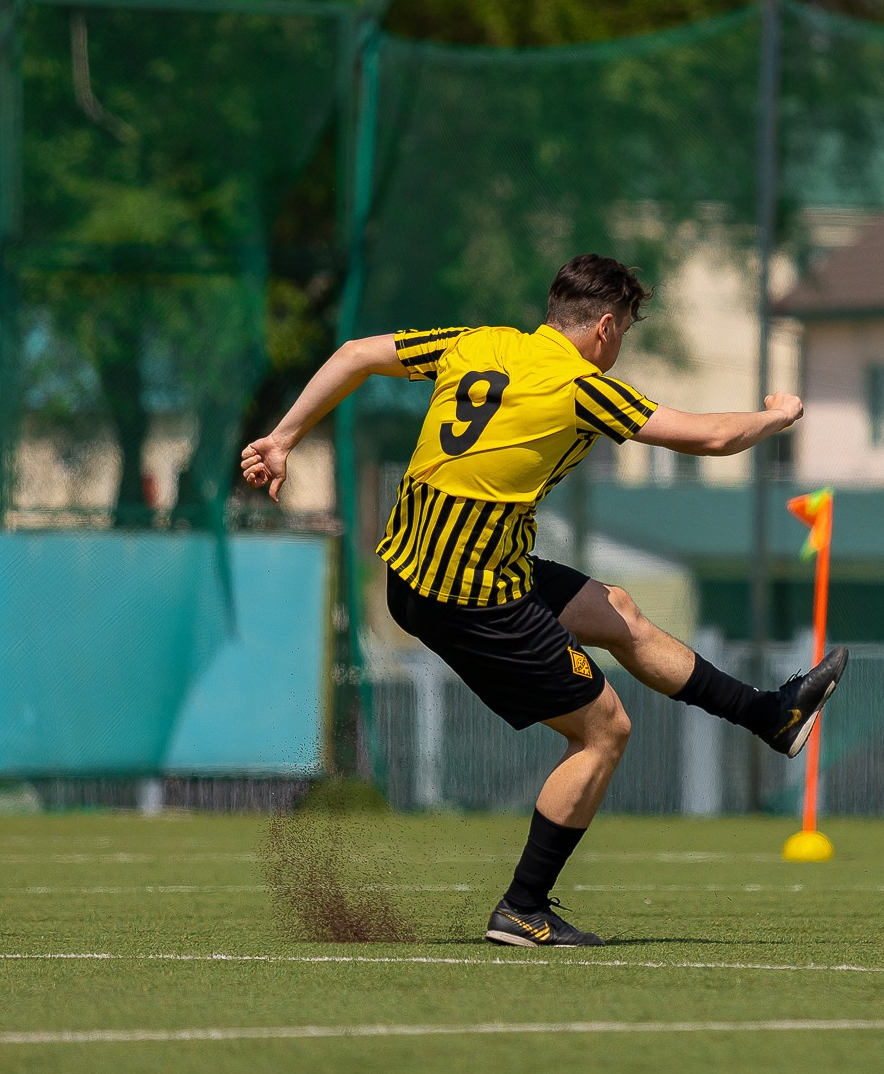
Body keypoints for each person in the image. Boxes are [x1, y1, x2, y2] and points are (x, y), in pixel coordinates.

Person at [239, 254, 848, 948]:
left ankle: (772, 714)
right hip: (467, 591)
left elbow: (353, 353)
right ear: (606, 327)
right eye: (624, 336)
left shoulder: (478, 342)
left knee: (615, 609)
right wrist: (779, 415)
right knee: (604, 729)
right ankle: (524, 908)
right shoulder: (582, 386)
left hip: (421, 569)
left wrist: (284, 436)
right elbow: (708, 437)